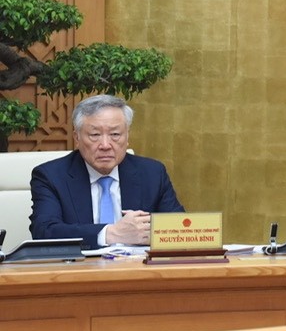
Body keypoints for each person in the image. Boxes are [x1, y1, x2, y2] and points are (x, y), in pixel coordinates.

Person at [30, 94, 184, 248]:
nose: (105, 145)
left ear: (127, 136)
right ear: (77, 138)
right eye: (95, 135)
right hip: (81, 263)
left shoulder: (152, 173)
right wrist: (110, 234)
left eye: (115, 134)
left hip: (136, 263)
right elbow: (44, 231)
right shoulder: (51, 176)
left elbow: (180, 230)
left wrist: (153, 234)